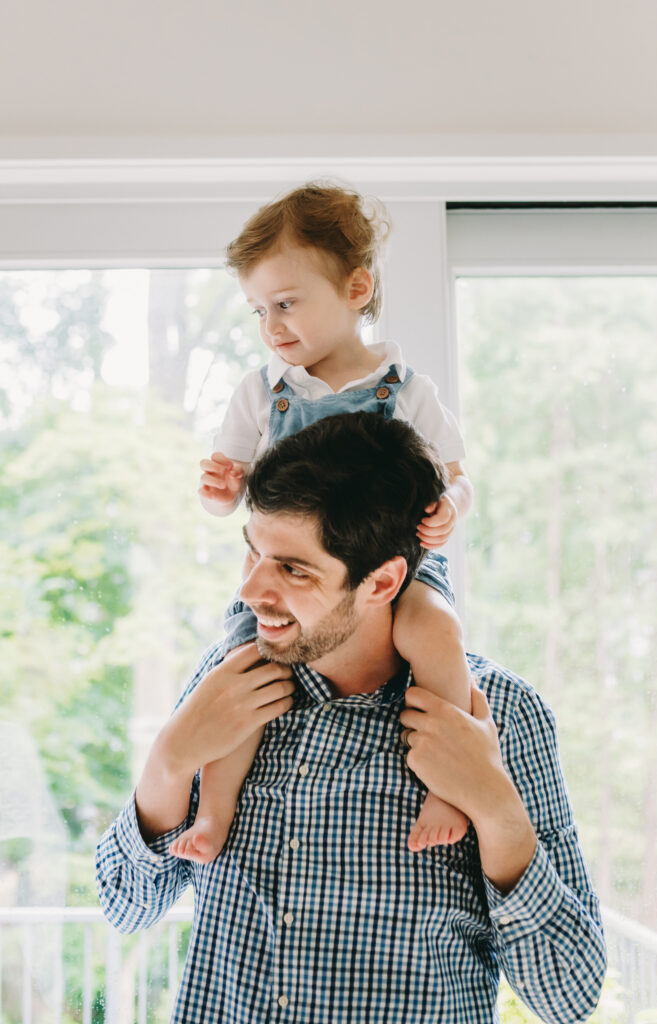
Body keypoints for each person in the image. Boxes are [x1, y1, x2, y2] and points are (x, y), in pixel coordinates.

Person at [96, 412, 606, 1024]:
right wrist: (170, 759)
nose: (253, 590)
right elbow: (126, 909)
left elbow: (570, 999)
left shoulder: (502, 712)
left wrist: (495, 809)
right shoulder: (228, 684)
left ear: (383, 581)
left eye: (293, 568)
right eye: (253, 553)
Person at [176, 181, 474, 863]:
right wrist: (221, 491)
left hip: (403, 565)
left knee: (437, 632)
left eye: (285, 303)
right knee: (241, 671)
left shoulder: (407, 390)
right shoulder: (262, 393)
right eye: (258, 310)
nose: (271, 325)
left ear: (356, 288)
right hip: (287, 581)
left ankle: (448, 785)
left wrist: (446, 510)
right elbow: (228, 496)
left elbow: (458, 479)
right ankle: (214, 810)